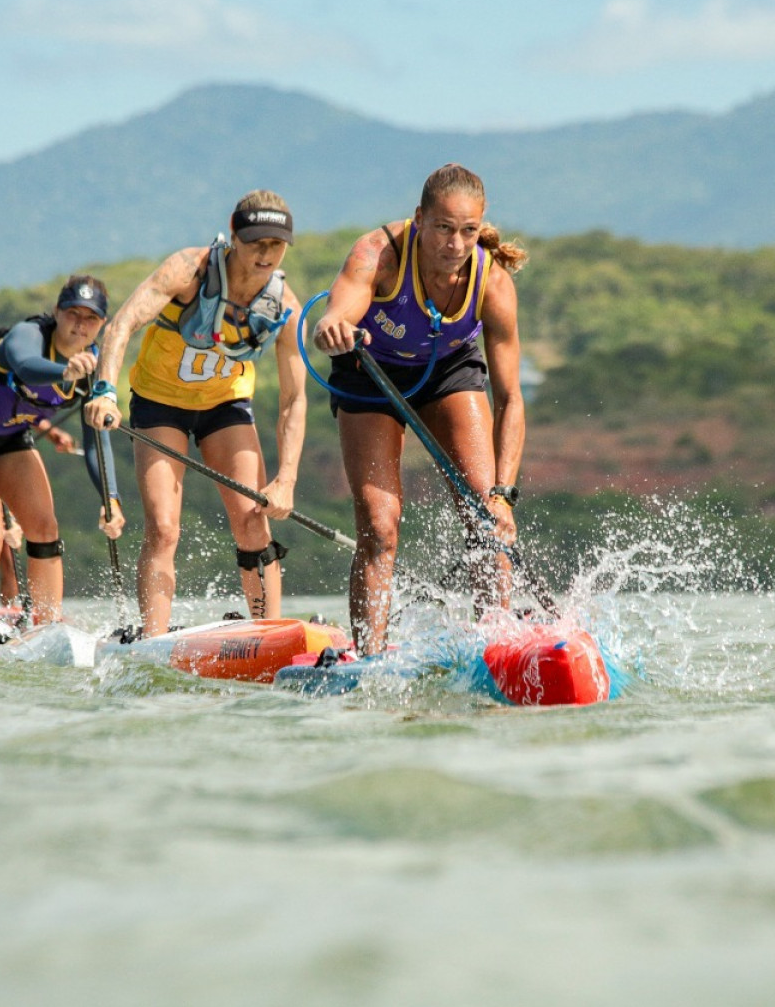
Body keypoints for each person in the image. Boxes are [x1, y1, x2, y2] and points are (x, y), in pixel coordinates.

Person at [310, 164, 529, 653]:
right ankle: (370, 656)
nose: (454, 245)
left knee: (483, 516)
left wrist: (503, 496)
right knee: (380, 527)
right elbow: (339, 309)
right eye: (443, 229)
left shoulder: (491, 284)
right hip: (371, 373)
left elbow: (511, 399)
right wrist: (332, 328)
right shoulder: (379, 254)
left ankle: (497, 647)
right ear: (420, 219)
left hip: (448, 371)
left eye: (468, 232)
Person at [87, 191, 307, 635]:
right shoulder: (189, 270)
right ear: (233, 233)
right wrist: (106, 390)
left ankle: (269, 636)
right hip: (159, 403)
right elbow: (122, 323)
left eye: (276, 245)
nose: (266, 255)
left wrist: (286, 478)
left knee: (253, 521)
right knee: (165, 529)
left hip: (225, 407)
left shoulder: (284, 307)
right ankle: (153, 641)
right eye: (256, 243)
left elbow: (293, 399)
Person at [0, 275, 124, 661]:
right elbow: (25, 367)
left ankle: (46, 630)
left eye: (91, 319)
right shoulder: (28, 335)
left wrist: (111, 496)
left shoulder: (94, 364)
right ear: (57, 313)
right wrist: (66, 372)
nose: (80, 325)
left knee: (44, 529)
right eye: (73, 314)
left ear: (102, 324)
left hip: (10, 437)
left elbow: (95, 433)